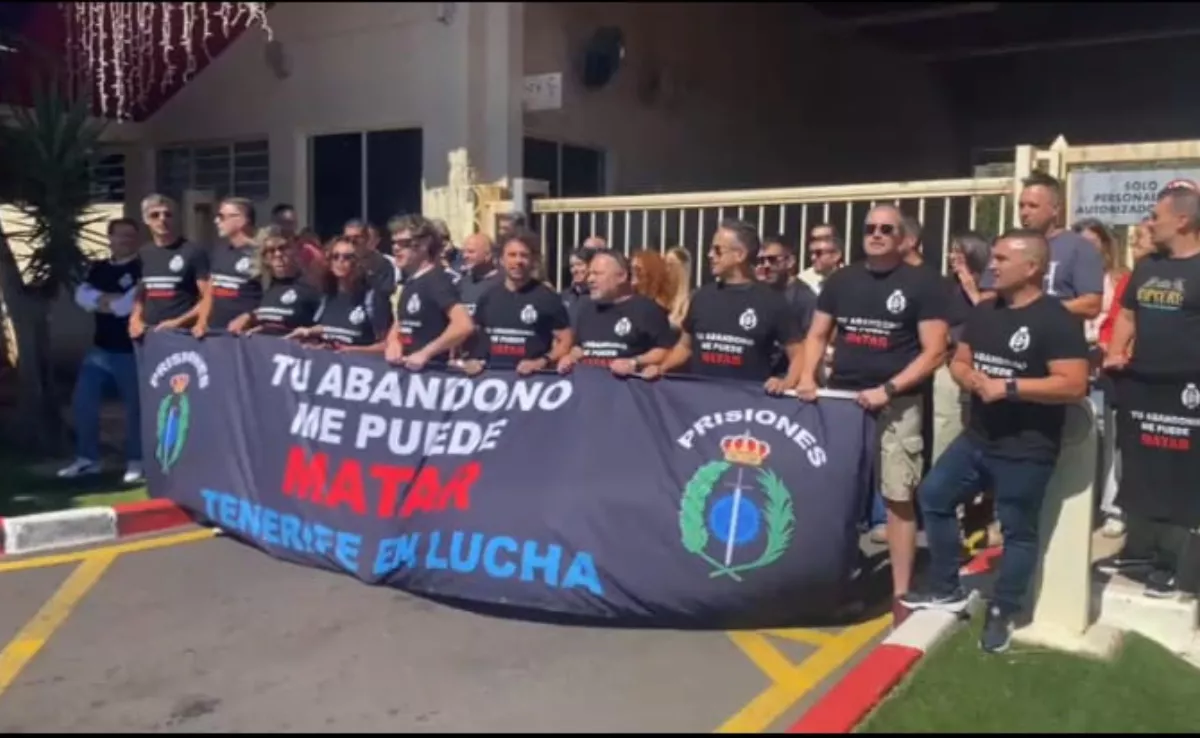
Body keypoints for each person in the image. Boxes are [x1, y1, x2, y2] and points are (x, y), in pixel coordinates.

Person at [902, 230, 1089, 654]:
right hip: (979, 436)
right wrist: (967, 377)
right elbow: (959, 359)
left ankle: (1004, 610)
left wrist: (1010, 387)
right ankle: (946, 587)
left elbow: (1074, 384)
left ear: (1033, 268)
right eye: (995, 257)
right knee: (934, 495)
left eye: (1003, 258)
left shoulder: (1055, 320)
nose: (993, 265)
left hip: (1027, 446)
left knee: (1017, 530)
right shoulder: (986, 310)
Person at [797, 204, 949, 625]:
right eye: (870, 228)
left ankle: (900, 594)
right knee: (840, 498)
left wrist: (889, 389)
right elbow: (817, 333)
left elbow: (935, 351)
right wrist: (809, 375)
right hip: (843, 405)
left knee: (898, 497)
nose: (877, 234)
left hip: (898, 405)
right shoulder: (842, 280)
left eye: (887, 229)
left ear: (904, 238)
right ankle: (839, 584)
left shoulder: (925, 283)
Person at [1102, 184, 1200, 598]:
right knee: (1145, 474)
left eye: (1155, 216)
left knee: (1183, 478)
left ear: (1182, 220)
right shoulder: (1146, 267)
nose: (1148, 223)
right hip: (1144, 387)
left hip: (1188, 391)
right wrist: (1114, 351)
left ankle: (1174, 562)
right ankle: (1146, 549)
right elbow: (1127, 313)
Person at [649, 220, 803, 392]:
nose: (710, 255)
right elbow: (685, 347)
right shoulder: (702, 296)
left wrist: (786, 382)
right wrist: (661, 367)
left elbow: (798, 353)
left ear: (740, 255)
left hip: (746, 405)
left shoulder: (772, 301)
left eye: (717, 250)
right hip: (700, 401)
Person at [58, 218, 144, 483]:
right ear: (110, 238)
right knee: (83, 403)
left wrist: (102, 301)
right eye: (120, 236)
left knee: (134, 409)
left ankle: (136, 461)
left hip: (131, 350)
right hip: (99, 350)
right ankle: (88, 460)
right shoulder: (98, 268)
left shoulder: (142, 268)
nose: (125, 241)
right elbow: (81, 298)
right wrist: (106, 301)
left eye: (130, 236)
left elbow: (126, 307)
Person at [981, 172, 1104, 321]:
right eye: (1021, 206)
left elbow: (1091, 305)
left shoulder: (1079, 247)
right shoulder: (1008, 246)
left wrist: (1040, 310)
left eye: (1033, 206)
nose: (1024, 212)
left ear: (1055, 210)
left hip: (1056, 337)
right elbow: (987, 297)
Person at [461, 231, 573, 377]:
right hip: (491, 380)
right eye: (512, 255)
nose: (518, 261)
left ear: (533, 260)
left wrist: (541, 361)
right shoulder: (488, 296)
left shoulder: (547, 297)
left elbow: (566, 340)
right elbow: (475, 337)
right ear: (501, 260)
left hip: (532, 383)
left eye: (524, 255)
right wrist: (474, 360)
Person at [557, 250, 675, 377]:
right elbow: (580, 347)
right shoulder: (585, 309)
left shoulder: (647, 310)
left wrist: (634, 362)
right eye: (589, 274)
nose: (590, 279)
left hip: (628, 391)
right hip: (588, 389)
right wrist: (570, 357)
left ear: (622, 276)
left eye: (598, 274)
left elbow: (665, 350)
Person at [384, 217, 475, 370]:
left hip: (433, 374)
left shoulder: (437, 280)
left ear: (425, 244)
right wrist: (393, 342)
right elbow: (401, 322)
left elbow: (464, 325)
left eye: (404, 243)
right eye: (394, 243)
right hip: (408, 373)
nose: (396, 248)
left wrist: (426, 353)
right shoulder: (410, 281)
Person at [286, 236, 392, 353]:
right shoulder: (326, 296)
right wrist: (309, 333)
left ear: (359, 261)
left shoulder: (373, 298)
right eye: (335, 257)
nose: (340, 261)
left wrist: (352, 351)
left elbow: (387, 346)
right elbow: (334, 328)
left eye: (347, 257)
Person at [129, 194, 209, 338]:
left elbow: (208, 297)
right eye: (155, 215)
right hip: (149, 336)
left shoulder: (193, 251)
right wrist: (135, 319)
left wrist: (179, 322)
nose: (162, 219)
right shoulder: (143, 253)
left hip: (182, 334)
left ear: (176, 218)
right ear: (146, 220)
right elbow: (141, 293)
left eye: (168, 214)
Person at [229, 226, 321, 336]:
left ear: (295, 250)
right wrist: (249, 317)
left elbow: (326, 328)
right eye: (271, 251)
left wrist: (309, 333)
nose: (278, 255)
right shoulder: (262, 288)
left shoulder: (310, 287)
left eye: (283, 248)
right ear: (265, 258)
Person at [193, 197, 262, 337]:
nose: (216, 221)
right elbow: (210, 292)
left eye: (221, 217)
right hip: (215, 334)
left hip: (245, 337)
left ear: (241, 220)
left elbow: (273, 298)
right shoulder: (219, 250)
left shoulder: (260, 253)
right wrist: (201, 321)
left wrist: (249, 316)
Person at [756, 235, 818, 378]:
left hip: (788, 379)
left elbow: (810, 344)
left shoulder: (805, 298)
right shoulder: (760, 293)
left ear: (790, 261)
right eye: (761, 261)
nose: (766, 265)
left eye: (772, 260)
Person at [561, 247, 595, 321]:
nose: (575, 270)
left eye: (579, 264)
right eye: (572, 266)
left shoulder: (597, 295)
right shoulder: (565, 295)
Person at [664, 246, 692, 329]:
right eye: (665, 265)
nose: (666, 270)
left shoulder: (692, 299)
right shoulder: (661, 298)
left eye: (671, 265)